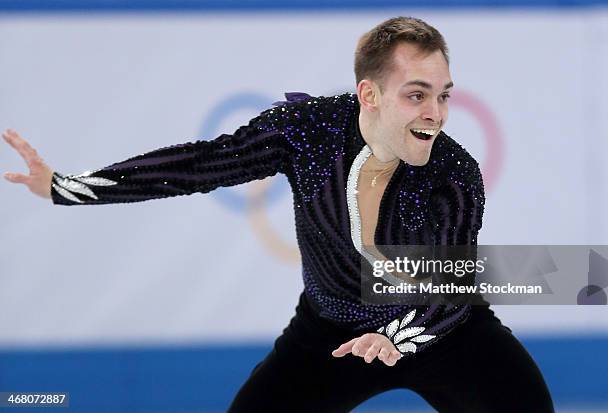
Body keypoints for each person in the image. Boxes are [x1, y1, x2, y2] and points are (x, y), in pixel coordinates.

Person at [3, 16, 554, 413]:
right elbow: (202, 165)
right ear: (371, 94)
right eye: (417, 95)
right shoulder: (307, 133)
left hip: (442, 334)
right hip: (330, 335)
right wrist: (67, 187)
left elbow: (450, 288)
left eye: (444, 95)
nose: (435, 114)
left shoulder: (455, 173)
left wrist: (398, 337)